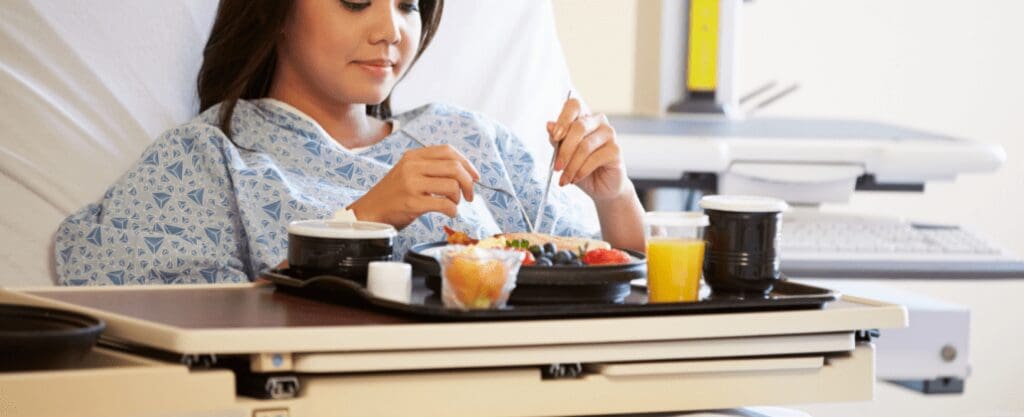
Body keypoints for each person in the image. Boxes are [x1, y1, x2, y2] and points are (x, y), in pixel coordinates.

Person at [54, 0, 645, 285]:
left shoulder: (468, 136)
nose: (391, 29)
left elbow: (612, 278)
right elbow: (146, 320)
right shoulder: (211, 158)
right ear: (277, 11)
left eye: (408, 4)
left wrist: (613, 197)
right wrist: (358, 222)